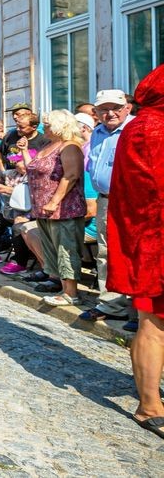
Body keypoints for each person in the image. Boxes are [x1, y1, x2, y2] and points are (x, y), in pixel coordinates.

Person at [105, 64, 164, 439]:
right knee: (153, 323)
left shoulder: (137, 127)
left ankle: (149, 400)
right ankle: (149, 405)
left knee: (153, 323)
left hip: (147, 238)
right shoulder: (154, 129)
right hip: (155, 241)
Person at [25, 110, 87, 306]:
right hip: (43, 208)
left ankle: (71, 293)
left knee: (65, 249)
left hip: (63, 209)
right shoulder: (50, 145)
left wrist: (54, 202)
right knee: (51, 249)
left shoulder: (70, 146)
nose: (45, 128)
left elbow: (71, 175)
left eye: (48, 124)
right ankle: (60, 286)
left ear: (60, 126)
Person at [83, 89, 134, 325]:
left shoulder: (135, 129)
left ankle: (138, 309)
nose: (110, 113)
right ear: (96, 112)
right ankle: (111, 303)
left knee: (133, 253)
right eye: (104, 109)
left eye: (115, 107)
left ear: (127, 108)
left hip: (132, 201)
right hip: (105, 199)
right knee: (106, 251)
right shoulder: (97, 132)